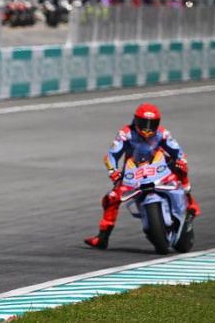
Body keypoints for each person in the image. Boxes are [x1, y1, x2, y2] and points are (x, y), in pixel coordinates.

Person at [84, 102, 200, 249]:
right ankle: (102, 237)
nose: (147, 127)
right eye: (143, 123)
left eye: (151, 123)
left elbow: (178, 151)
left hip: (160, 167)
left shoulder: (163, 133)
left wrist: (180, 160)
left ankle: (190, 202)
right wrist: (113, 171)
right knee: (111, 197)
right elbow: (111, 156)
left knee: (181, 169)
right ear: (136, 120)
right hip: (134, 172)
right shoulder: (125, 133)